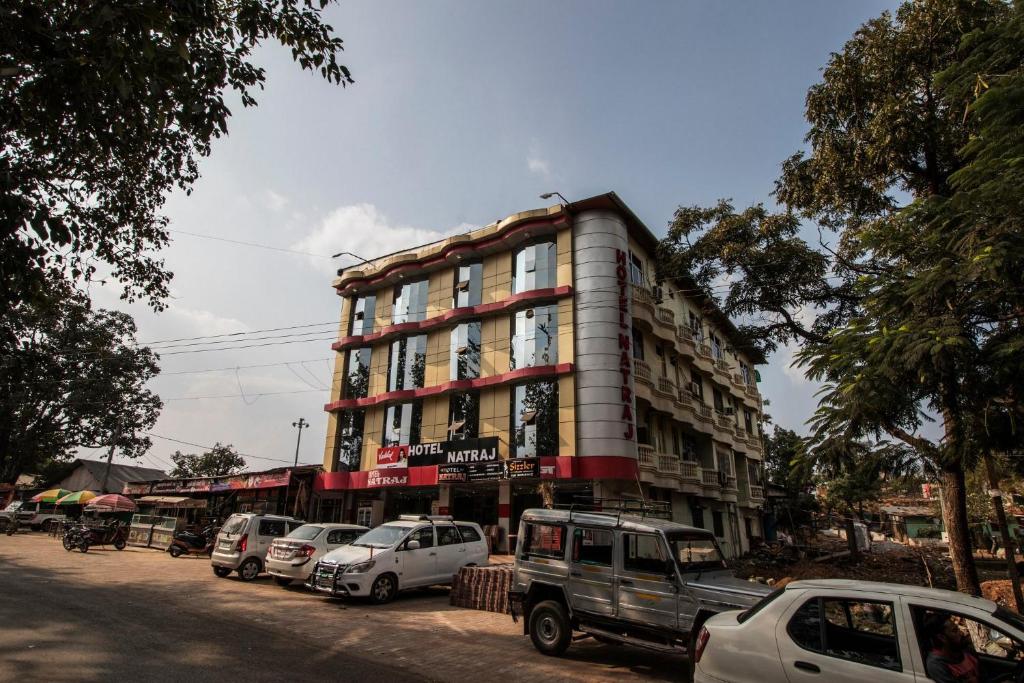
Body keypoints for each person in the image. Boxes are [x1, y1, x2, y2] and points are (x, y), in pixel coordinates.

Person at [922, 612, 981, 683]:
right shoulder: (936, 664)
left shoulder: (963, 649)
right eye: (955, 631)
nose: (961, 633)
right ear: (942, 637)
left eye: (958, 629)